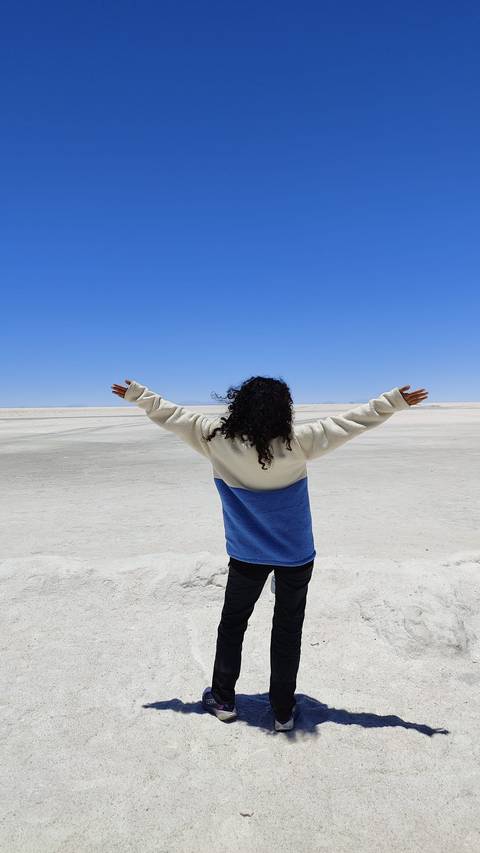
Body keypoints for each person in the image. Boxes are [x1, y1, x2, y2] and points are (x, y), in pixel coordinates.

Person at [112, 376, 428, 731]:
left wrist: (139, 395)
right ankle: (282, 711)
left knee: (233, 625)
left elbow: (172, 416)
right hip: (295, 555)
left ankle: (224, 699)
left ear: (238, 404)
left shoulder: (214, 439)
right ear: (283, 410)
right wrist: (394, 401)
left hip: (247, 555)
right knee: (287, 630)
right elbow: (351, 422)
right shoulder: (299, 443)